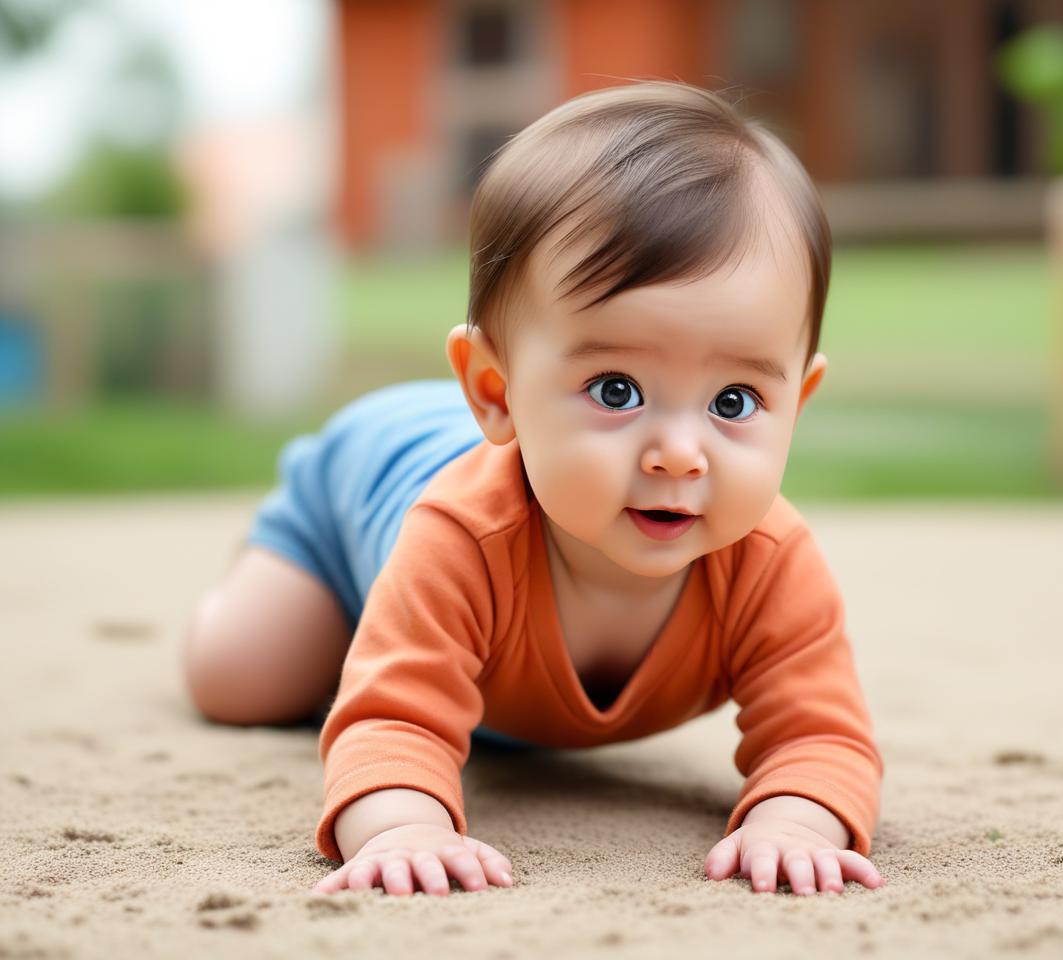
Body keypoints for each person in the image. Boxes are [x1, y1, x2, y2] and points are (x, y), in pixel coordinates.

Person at [181, 80, 884, 898]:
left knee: (426, 678)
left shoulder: (769, 564)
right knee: (241, 680)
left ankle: (409, 644)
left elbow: (824, 736)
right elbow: (392, 724)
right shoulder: (460, 537)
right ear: (493, 390)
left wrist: (794, 822)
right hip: (352, 501)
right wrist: (405, 826)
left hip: (472, 620)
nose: (679, 455)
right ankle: (313, 602)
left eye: (735, 402)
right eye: (617, 390)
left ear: (796, 402)